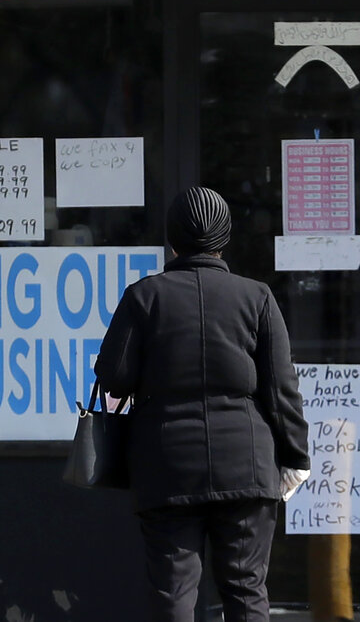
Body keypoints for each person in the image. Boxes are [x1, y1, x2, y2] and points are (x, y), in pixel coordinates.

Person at [94, 186, 312, 622]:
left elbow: (112, 376)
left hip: (167, 462)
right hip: (247, 462)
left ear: (172, 238)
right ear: (224, 238)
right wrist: (295, 457)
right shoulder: (257, 298)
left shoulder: (144, 296)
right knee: (246, 589)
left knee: (173, 592)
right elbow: (281, 388)